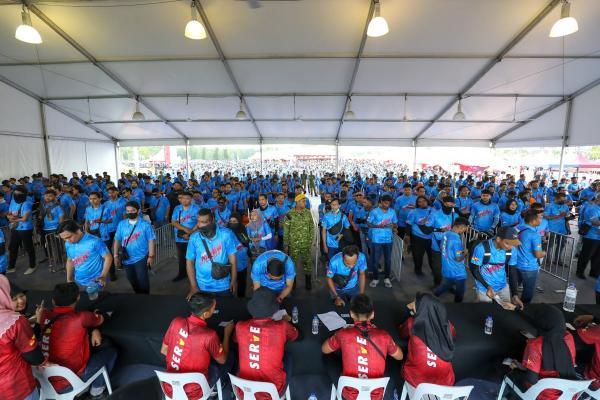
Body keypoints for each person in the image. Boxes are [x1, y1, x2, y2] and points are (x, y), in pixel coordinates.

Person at [38, 282, 117, 399]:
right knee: (111, 352)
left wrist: (93, 330)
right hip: (69, 382)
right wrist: (96, 316)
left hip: (44, 380)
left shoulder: (44, 315)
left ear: (53, 301)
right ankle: (97, 392)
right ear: (78, 297)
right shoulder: (82, 318)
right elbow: (101, 318)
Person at [321, 294, 403, 400]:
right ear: (372, 315)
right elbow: (400, 357)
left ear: (351, 314)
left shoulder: (343, 334)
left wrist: (340, 333)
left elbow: (324, 349)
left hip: (349, 395)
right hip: (375, 396)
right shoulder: (384, 336)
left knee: (328, 357)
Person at [161, 291, 234, 399]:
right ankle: (218, 386)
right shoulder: (209, 335)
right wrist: (227, 334)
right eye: (213, 308)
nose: (214, 309)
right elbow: (222, 360)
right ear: (205, 314)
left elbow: (164, 350)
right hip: (195, 392)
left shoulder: (176, 322)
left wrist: (183, 355)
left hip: (169, 387)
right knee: (230, 356)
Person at [234, 287, 299, 399]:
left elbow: (235, 340)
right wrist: (286, 322)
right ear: (273, 309)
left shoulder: (240, 326)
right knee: (288, 357)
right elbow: (295, 335)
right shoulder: (281, 326)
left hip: (244, 392)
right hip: (274, 391)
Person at [508, 305, 576, 400]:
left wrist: (516, 369)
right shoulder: (569, 337)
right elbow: (545, 325)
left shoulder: (536, 346)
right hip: (567, 394)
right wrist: (517, 310)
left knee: (503, 367)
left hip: (542, 394)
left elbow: (532, 380)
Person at [398, 293, 456, 394]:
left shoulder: (412, 323)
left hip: (417, 384)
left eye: (416, 303)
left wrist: (408, 309)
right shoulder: (447, 326)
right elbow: (453, 334)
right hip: (444, 386)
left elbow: (401, 332)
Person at [0, 275, 45, 400]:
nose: (21, 301)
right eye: (13, 298)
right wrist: (43, 362)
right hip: (18, 386)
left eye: (21, 295)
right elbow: (34, 356)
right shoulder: (15, 322)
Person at [186, 208, 237, 298]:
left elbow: (233, 260)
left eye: (203, 222)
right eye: (198, 221)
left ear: (212, 220)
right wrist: (193, 286)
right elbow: (189, 262)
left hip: (224, 285)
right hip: (202, 286)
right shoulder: (194, 238)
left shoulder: (226, 234)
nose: (199, 225)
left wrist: (233, 280)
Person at [469, 226, 522, 308]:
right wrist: (487, 287)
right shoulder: (481, 248)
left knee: (506, 309)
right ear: (498, 239)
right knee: (487, 312)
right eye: (508, 243)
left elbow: (512, 272)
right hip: (484, 288)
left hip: (502, 286)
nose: (510, 247)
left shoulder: (512, 250)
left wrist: (515, 294)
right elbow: (474, 270)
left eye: (513, 244)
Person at [113, 201, 156, 294]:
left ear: (138, 210)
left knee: (142, 278)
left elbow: (151, 240)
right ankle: (138, 294)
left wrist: (151, 256)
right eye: (128, 211)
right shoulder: (121, 224)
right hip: (126, 257)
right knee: (131, 278)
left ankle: (145, 297)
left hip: (141, 257)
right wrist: (115, 256)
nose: (130, 212)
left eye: (133, 210)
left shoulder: (145, 224)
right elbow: (117, 240)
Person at [58, 220, 113, 292]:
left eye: (69, 237)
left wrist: (103, 276)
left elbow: (108, 257)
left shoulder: (94, 241)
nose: (67, 241)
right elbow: (70, 260)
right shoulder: (68, 244)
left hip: (96, 281)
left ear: (78, 231)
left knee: (97, 298)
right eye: (64, 239)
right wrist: (69, 279)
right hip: (78, 280)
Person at [511, 211, 545, 304]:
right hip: (529, 267)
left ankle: (513, 303)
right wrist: (544, 253)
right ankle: (524, 307)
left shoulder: (516, 228)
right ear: (534, 220)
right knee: (528, 290)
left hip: (515, 263)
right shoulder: (534, 235)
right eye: (540, 218)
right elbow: (537, 254)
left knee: (513, 287)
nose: (541, 220)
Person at [283, 193, 315, 290]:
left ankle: (308, 281)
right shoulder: (289, 214)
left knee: (307, 263)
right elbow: (286, 230)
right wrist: (286, 244)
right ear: (297, 202)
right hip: (294, 245)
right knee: (293, 264)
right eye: (303, 201)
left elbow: (311, 227)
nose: (305, 203)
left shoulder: (308, 212)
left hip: (306, 243)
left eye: (305, 201)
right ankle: (293, 282)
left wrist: (310, 241)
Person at [433, 217, 469, 303]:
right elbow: (458, 258)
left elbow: (443, 248)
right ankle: (457, 306)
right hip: (457, 271)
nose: (466, 230)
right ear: (461, 227)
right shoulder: (456, 240)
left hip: (446, 267)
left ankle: (435, 295)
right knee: (460, 291)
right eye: (466, 228)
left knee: (447, 284)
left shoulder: (446, 234)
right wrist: (465, 253)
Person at [423, 196, 456, 287]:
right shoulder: (434, 214)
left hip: (450, 246)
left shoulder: (455, 215)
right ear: (443, 204)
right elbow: (426, 228)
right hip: (437, 246)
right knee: (437, 267)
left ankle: (449, 285)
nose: (449, 207)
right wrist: (439, 230)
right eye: (447, 205)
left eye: (451, 205)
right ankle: (437, 283)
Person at [367, 194, 398, 288]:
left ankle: (387, 278)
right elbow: (368, 224)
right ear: (381, 202)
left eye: (388, 203)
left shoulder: (392, 211)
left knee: (388, 260)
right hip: (376, 239)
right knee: (376, 260)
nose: (386, 205)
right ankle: (375, 278)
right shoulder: (374, 211)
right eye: (385, 203)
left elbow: (395, 224)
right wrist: (377, 226)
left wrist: (393, 226)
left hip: (388, 239)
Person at [6, 185, 37, 275]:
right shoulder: (13, 201)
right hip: (15, 228)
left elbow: (24, 219)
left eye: (18, 193)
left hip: (25, 228)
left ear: (24, 194)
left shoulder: (26, 203)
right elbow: (9, 213)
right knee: (13, 247)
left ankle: (32, 266)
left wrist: (13, 219)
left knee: (29, 248)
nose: (16, 195)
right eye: (15, 193)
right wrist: (9, 217)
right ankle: (11, 267)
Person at [171, 191, 200, 282]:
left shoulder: (196, 209)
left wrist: (190, 232)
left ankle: (195, 276)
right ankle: (182, 274)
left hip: (193, 237)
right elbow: (173, 222)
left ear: (191, 199)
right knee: (182, 257)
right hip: (180, 237)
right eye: (183, 198)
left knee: (194, 257)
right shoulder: (177, 208)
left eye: (187, 198)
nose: (184, 200)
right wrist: (185, 229)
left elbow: (199, 222)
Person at [405, 196, 433, 277]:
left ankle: (434, 270)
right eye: (419, 202)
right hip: (417, 238)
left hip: (431, 238)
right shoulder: (413, 212)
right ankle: (418, 270)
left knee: (432, 257)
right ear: (417, 203)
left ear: (427, 201)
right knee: (418, 256)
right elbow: (409, 224)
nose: (422, 203)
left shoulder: (433, 210)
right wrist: (408, 236)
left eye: (424, 200)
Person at [39, 189, 65, 271]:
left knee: (57, 245)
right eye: (46, 196)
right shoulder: (44, 206)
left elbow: (61, 219)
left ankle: (60, 260)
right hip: (45, 228)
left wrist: (59, 230)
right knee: (46, 245)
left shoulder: (58, 207)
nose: (47, 197)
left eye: (50, 196)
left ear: (54, 197)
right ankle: (50, 257)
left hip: (54, 229)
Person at [576, 194, 600, 279]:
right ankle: (580, 272)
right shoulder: (592, 208)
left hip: (598, 236)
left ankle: (594, 272)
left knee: (597, 256)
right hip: (591, 236)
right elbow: (594, 221)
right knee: (586, 255)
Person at [227, 213, 251, 298]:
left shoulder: (243, 230)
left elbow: (247, 244)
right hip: (229, 263)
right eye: (230, 221)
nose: (232, 223)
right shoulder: (226, 232)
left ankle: (241, 298)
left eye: (234, 221)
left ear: (239, 221)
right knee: (230, 283)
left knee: (242, 283)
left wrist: (250, 255)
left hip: (242, 263)